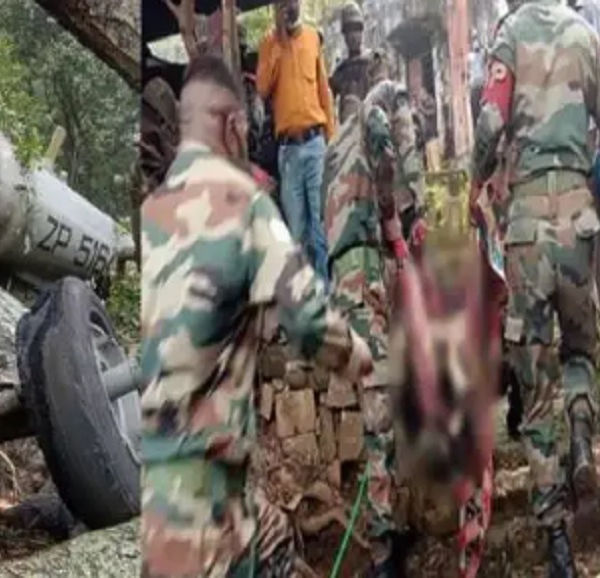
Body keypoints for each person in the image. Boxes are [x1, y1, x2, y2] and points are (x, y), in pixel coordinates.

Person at [140, 54, 374, 578]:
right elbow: (309, 322)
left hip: (151, 498)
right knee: (267, 544)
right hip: (208, 509)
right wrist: (361, 357)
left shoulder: (150, 214)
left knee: (265, 529)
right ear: (231, 124)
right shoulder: (243, 205)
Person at [472, 0, 600, 574]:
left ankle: (558, 545)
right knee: (579, 353)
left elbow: (490, 123)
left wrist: (477, 177)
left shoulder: (508, 36)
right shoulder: (587, 37)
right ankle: (581, 437)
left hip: (527, 233)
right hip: (579, 225)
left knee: (534, 386)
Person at [322, 79, 425, 578]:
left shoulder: (331, 153)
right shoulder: (372, 115)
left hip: (342, 283)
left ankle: (392, 530)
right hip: (363, 276)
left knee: (375, 406)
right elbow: (389, 157)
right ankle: (386, 552)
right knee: (380, 415)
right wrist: (397, 216)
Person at [256, 0, 335, 284]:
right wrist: (279, 39)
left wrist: (332, 142)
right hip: (288, 152)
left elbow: (324, 94)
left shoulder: (313, 38)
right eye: (282, 4)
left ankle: (325, 294)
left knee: (320, 228)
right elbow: (262, 88)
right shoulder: (268, 43)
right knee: (297, 232)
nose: (288, 7)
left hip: (315, 145)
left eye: (291, 2)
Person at [329, 3, 372, 122]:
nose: (353, 36)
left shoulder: (373, 63)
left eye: (356, 29)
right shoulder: (341, 71)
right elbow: (327, 99)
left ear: (362, 32)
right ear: (344, 35)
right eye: (349, 30)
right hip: (348, 127)